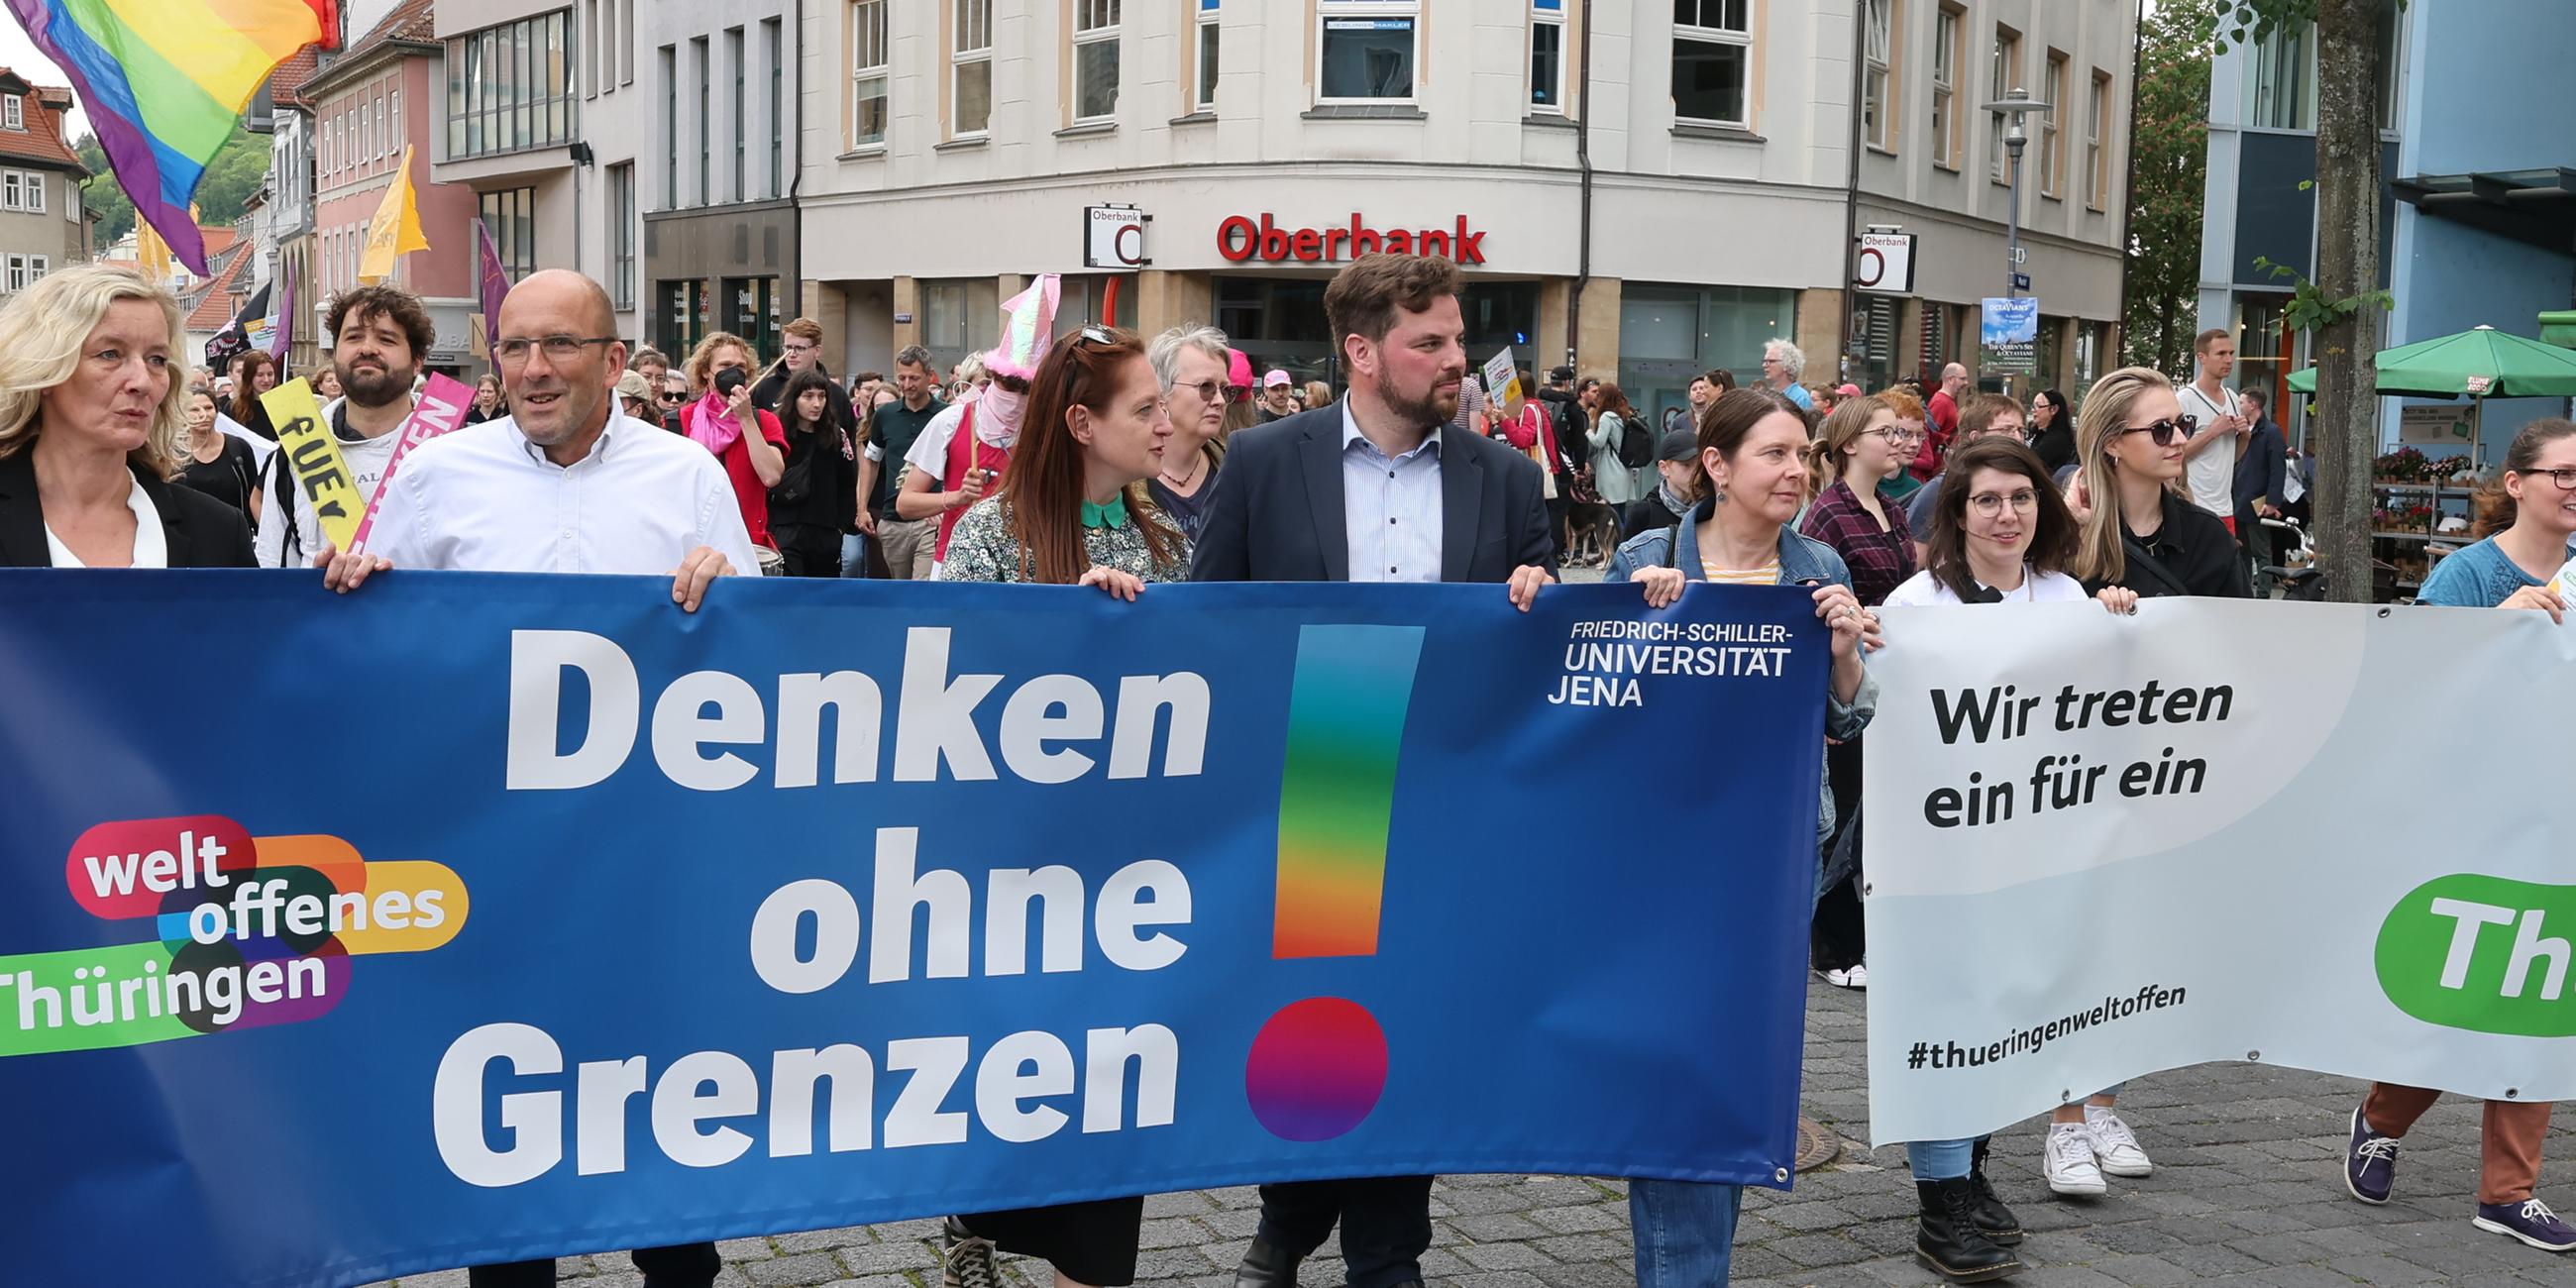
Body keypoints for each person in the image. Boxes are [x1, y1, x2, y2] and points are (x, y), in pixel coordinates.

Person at [1194, 254, 1553, 1288]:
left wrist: (1539, 596)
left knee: (1415, 1025)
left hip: (1447, 800)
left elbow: (1533, 663)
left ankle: (1387, 1254)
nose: (1454, 360)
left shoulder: (1506, 476)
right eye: (1427, 342)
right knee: (1315, 1027)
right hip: (1320, 782)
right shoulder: (1263, 460)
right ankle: (1287, 1213)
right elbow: (1206, 623)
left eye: (1455, 339)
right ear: (1360, 352)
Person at [1605, 385, 1878, 1288]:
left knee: (1727, 1075)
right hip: (1656, 859)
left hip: (1773, 860)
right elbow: (1594, 701)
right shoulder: (1650, 553)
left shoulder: (1818, 566)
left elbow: (1850, 722)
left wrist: (1843, 656)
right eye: (1774, 454)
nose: (1796, 471)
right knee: (1683, 1072)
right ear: (1715, 467)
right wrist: (1639, 624)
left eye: (1803, 454)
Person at [927, 326, 1177, 1288]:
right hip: (1013, 883)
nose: (1162, 426)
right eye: (1143, 408)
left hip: (1126, 893)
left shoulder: (1165, 539)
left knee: (1109, 1119)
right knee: (1016, 1092)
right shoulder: (991, 533)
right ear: (1081, 422)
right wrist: (1061, 640)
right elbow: (947, 697)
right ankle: (977, 1226)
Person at [1880, 436, 2137, 1283]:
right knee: (1948, 1013)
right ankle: (1942, 1199)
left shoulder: (2068, 597)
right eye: (1987, 500)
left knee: (1999, 1015)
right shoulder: (1917, 603)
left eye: (2021, 499)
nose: (2006, 515)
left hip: (2034, 851)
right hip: (1940, 852)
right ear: (1956, 513)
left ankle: (1971, 1172)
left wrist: (2126, 628)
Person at [2342, 417, 2576, 1254]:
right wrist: (2497, 629)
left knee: (2543, 999)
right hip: (2476, 817)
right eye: (2563, 472)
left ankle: (2508, 1194)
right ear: (2516, 483)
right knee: (2465, 992)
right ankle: (2380, 1117)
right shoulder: (2470, 575)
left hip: (2563, 819)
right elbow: (2421, 690)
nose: (2574, 486)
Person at [0, 266, 254, 568]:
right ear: (44, 369)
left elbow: (264, 616)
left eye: (156, 359)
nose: (142, 381)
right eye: (110, 354)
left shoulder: (218, 531)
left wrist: (321, 592)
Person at [1798, 394, 1915, 992]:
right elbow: (1812, 594)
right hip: (1846, 676)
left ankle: (1866, 932)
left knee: (1875, 811)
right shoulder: (1827, 515)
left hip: (1885, 677)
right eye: (1884, 433)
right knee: (1843, 809)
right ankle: (1832, 941)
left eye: (1900, 432)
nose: (1898, 441)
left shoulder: (1891, 510)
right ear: (1849, 444)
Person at [256, 285, 435, 569]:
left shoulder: (451, 445)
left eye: (386, 339)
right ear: (335, 352)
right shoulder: (294, 452)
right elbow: (274, 578)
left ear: (417, 362)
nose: (367, 348)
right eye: (353, 337)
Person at [900, 279, 1058, 577]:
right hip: (954, 566)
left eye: (1026, 388)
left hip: (1020, 571)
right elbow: (905, 503)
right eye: (1008, 384)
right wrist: (954, 498)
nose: (1015, 397)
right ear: (992, 376)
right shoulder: (953, 421)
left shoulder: (1043, 435)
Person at [2066, 366, 2252, 601]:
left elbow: (2238, 630)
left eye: (2184, 424)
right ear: (2112, 443)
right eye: (2161, 429)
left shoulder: (2207, 535)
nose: (2181, 439)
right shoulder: (2070, 540)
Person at [681, 331, 790, 562]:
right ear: (705, 372)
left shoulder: (764, 421)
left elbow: (771, 476)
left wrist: (746, 419)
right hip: (693, 545)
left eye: (740, 366)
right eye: (725, 365)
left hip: (748, 545)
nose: (734, 372)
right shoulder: (680, 420)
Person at [861, 345, 946, 579]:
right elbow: (870, 461)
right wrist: (862, 508)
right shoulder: (884, 415)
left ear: (930, 377)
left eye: (914, 378)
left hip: (930, 520)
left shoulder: (946, 415)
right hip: (892, 519)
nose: (907, 384)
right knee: (900, 589)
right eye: (901, 378)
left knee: (924, 586)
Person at [767, 367, 858, 577]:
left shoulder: (836, 435)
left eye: (822, 396)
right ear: (794, 398)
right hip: (785, 527)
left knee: (822, 597)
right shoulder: (777, 432)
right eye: (808, 396)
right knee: (790, 594)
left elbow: (847, 483)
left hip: (825, 530)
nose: (816, 404)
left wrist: (840, 528)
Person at [1145, 324, 1231, 541]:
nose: (1219, 401)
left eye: (1226, 389)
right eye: (1206, 387)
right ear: (1162, 391)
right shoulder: (1124, 479)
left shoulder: (1234, 470)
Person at [1909, 393, 2026, 536]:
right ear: (1975, 438)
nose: (2018, 438)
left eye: (2021, 431)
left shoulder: (2026, 482)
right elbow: (1916, 555)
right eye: (2007, 430)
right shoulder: (1941, 490)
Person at [2175, 327, 2247, 531]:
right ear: (2202, 358)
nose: (2229, 360)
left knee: (2226, 563)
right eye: (2221, 354)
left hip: (2225, 507)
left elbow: (2231, 457)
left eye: (2231, 353)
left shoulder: (2233, 398)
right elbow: (2175, 454)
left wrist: (2245, 436)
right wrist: (2212, 432)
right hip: (2195, 506)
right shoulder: (2185, 400)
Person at [174, 387, 263, 520]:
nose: (203, 414)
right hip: (189, 535)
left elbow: (254, 496)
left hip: (234, 533)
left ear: (217, 411)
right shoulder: (176, 454)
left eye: (209, 408)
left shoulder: (238, 448)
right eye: (194, 409)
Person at [2233, 385, 2289, 567]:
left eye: (2241, 402)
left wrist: (2272, 501)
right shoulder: (2241, 431)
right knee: (2242, 551)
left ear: (2253, 405)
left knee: (2261, 551)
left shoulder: (2272, 432)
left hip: (2258, 501)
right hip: (2238, 498)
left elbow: (2278, 469)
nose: (2238, 405)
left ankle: (2264, 595)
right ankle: (2244, 593)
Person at [1584, 380, 1651, 517]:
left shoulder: (1606, 417)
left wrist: (1588, 431)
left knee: (1611, 513)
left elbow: (1599, 442)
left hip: (1610, 469)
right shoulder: (1622, 415)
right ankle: (1623, 537)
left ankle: (1618, 538)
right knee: (1620, 512)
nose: (1596, 396)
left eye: (1599, 393)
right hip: (1622, 467)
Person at [1625, 427, 1697, 537]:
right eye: (1686, 464)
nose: (1695, 472)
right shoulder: (1643, 514)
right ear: (1664, 468)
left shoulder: (1708, 509)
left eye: (1699, 465)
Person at [1871, 387, 1929, 508]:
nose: (1915, 444)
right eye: (1906, 434)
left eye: (1919, 435)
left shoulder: (1916, 489)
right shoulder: (1858, 489)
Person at [1919, 363, 1969, 481]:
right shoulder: (1941, 402)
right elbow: (1930, 434)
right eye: (1962, 379)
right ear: (1950, 379)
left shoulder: (1947, 401)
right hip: (1937, 468)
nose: (1966, 383)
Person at [230, 349, 281, 441]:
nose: (266, 380)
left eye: (270, 374)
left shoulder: (284, 403)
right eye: (260, 375)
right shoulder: (234, 407)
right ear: (249, 376)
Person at [2026, 387, 2075, 478]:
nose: (2033, 410)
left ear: (2054, 409)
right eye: (2033, 406)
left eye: (2038, 406)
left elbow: (2032, 462)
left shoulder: (2057, 438)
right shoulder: (2038, 432)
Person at [1762, 338, 1814, 410]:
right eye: (1764, 361)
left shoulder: (1801, 398)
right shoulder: (1766, 395)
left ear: (1787, 365)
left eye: (1770, 361)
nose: (1764, 365)